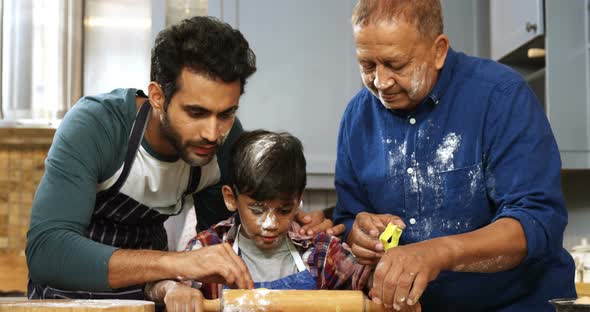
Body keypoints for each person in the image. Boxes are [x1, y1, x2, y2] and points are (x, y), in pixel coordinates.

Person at [25, 16, 338, 300]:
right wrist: (178, 263)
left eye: (226, 113)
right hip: (68, 294)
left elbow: (222, 239)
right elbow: (47, 252)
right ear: (158, 97)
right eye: (196, 113)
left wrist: (290, 220)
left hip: (155, 292)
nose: (213, 133)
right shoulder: (96, 126)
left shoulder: (226, 144)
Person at [333, 0, 576, 311]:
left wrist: (438, 252)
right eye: (367, 65)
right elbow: (347, 219)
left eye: (396, 65)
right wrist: (360, 234)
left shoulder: (500, 95)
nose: (381, 82)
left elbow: (537, 220)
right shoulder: (356, 117)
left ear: (439, 51)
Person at [145, 130, 373, 311]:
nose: (270, 223)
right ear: (231, 198)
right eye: (257, 210)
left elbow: (368, 281)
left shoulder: (321, 251)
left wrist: (382, 252)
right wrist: (171, 289)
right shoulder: (208, 247)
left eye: (284, 210)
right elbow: (154, 285)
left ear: (298, 200)